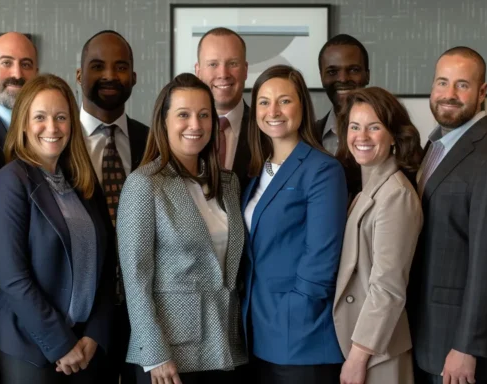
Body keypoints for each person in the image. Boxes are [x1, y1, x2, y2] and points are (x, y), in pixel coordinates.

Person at [117, 72, 248, 384]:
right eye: (184, 115)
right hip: (169, 356)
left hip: (228, 347)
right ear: (163, 122)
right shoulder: (144, 184)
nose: (196, 125)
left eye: (204, 115)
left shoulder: (229, 184)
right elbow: (134, 278)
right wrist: (155, 353)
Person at [0, 73, 116, 384]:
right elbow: (13, 279)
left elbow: (109, 264)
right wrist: (61, 344)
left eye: (61, 117)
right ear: (24, 124)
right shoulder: (11, 181)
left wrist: (94, 334)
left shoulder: (81, 181)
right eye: (40, 117)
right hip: (31, 349)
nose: (52, 127)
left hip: (85, 347)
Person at [406, 46, 487, 384]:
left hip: (455, 346)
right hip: (423, 329)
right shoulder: (436, 146)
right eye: (442, 83)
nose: (449, 94)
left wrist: (467, 347)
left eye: (462, 85)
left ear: (482, 92)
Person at [242, 65, 349, 383]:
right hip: (258, 333)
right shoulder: (257, 173)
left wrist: (293, 314)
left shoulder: (323, 170)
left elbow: (322, 258)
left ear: (302, 105)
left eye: (284, 101)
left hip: (302, 337)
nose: (272, 111)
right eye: (263, 102)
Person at [332, 86, 424, 384]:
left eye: (374, 127)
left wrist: (359, 356)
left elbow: (388, 287)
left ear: (394, 136)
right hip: (363, 344)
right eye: (355, 127)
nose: (362, 137)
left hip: (377, 352)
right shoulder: (368, 190)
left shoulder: (395, 195)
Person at [75, 29, 149, 384]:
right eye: (97, 66)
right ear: (79, 75)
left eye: (121, 67)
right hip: (82, 320)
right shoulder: (55, 143)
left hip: (146, 316)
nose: (110, 75)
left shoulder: (153, 141)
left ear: (133, 77)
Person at [194, 27, 253, 189]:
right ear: (198, 71)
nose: (223, 74)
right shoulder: (179, 131)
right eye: (213, 64)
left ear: (245, 70)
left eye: (233, 63)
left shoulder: (267, 131)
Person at [0, 31, 38, 185]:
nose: (17, 74)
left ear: (36, 74)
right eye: (6, 63)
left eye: (26, 64)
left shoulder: (50, 128)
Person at [314, 34, 371, 156]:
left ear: (367, 75)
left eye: (353, 70)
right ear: (321, 77)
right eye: (332, 72)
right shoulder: (309, 136)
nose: (343, 79)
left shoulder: (393, 130)